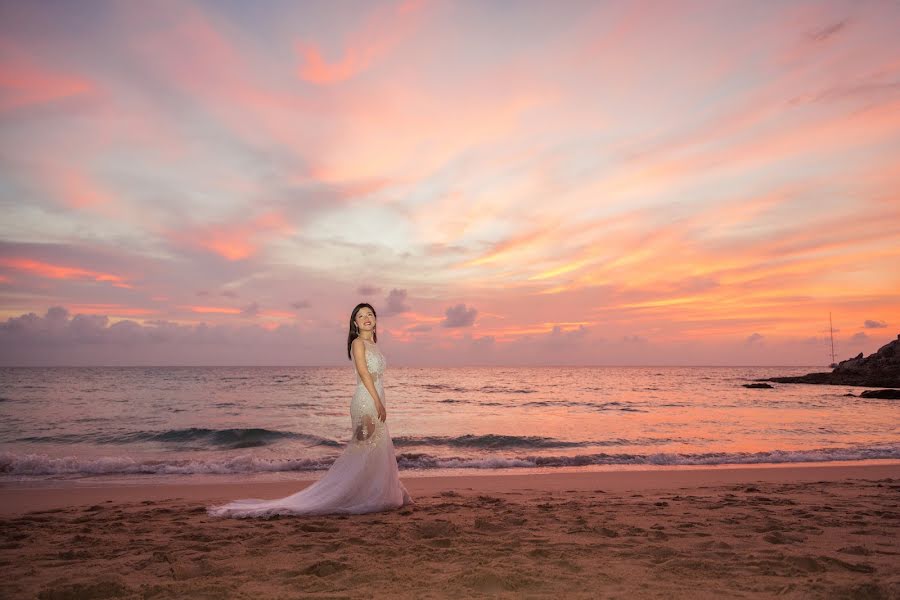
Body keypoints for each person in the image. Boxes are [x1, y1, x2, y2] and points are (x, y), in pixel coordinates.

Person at [207, 302, 413, 518]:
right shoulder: (358, 343)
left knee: (376, 450)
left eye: (370, 314)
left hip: (376, 400)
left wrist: (381, 401)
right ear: (355, 322)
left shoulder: (374, 345)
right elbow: (363, 373)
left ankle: (376, 492)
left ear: (376, 319)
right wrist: (377, 402)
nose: (366, 318)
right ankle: (350, 494)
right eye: (361, 316)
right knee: (363, 451)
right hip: (366, 401)